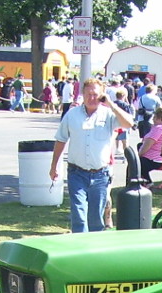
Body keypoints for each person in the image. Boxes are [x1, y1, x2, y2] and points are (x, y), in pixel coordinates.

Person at [50, 78, 134, 233]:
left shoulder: (108, 114)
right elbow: (61, 140)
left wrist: (111, 104)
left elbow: (129, 123)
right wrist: (54, 166)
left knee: (96, 218)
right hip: (77, 173)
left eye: (95, 94)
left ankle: (94, 251)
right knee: (79, 215)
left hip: (100, 174)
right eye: (88, 94)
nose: (92, 98)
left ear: (102, 95)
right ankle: (79, 249)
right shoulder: (72, 115)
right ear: (82, 94)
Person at [138, 107, 162, 184]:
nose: (153, 119)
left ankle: (147, 182)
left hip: (155, 159)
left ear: (159, 118)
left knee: (136, 163)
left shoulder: (158, 129)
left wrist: (138, 155)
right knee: (139, 146)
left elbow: (148, 144)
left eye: (154, 117)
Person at [113, 87, 134, 156]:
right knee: (124, 139)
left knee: (116, 137)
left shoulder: (113, 103)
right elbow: (129, 114)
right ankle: (126, 152)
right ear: (123, 96)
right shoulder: (124, 104)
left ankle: (117, 148)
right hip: (123, 124)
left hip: (114, 122)